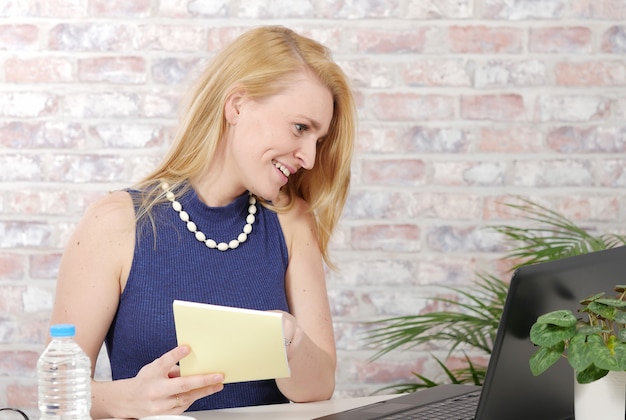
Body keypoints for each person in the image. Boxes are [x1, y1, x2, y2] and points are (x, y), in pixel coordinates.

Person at [47, 25, 356, 419]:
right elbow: (57, 392)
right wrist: (128, 400)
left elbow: (318, 389)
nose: (309, 158)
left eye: (318, 140)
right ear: (237, 105)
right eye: (300, 128)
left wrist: (289, 339)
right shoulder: (117, 223)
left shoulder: (291, 222)